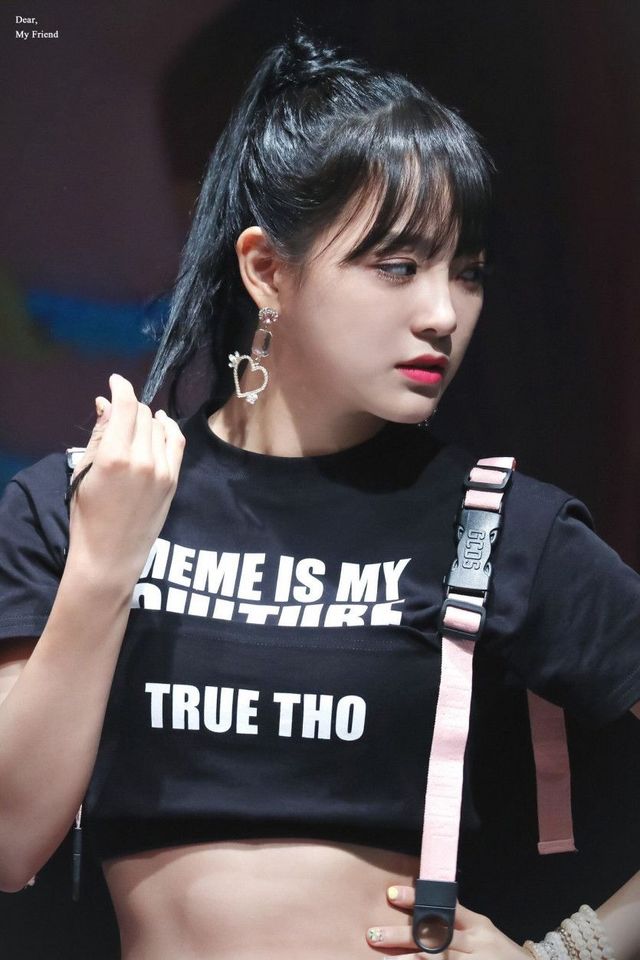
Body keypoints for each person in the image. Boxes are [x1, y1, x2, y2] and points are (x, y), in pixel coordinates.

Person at [0, 33, 638, 960]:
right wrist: (104, 563)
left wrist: (570, 953)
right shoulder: (80, 502)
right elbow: (10, 841)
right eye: (398, 267)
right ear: (266, 270)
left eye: (466, 272)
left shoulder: (498, 527)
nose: (443, 314)